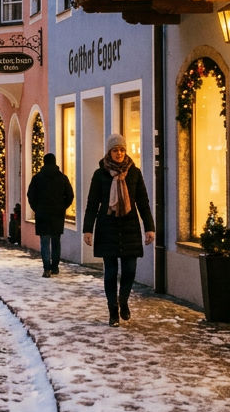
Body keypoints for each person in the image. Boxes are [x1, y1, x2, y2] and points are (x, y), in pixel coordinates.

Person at [83, 134, 155, 327]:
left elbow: (143, 202)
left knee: (130, 269)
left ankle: (123, 300)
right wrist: (87, 229)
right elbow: (92, 204)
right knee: (111, 272)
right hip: (107, 226)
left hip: (129, 225)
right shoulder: (100, 175)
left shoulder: (134, 173)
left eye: (122, 150)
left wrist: (149, 228)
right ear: (109, 152)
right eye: (115, 150)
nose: (119, 153)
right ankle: (112, 310)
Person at [26, 152, 74, 277]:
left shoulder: (37, 178)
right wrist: (63, 207)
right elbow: (70, 195)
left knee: (45, 242)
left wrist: (36, 208)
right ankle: (55, 267)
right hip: (57, 214)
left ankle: (46, 268)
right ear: (55, 162)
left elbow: (30, 195)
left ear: (44, 162)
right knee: (56, 241)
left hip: (42, 214)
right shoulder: (62, 178)